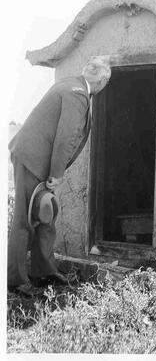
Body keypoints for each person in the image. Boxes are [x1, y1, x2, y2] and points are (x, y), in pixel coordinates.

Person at [8, 59, 111, 296]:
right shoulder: (78, 95)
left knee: (46, 214)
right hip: (32, 159)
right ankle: (15, 278)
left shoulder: (71, 85)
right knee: (25, 219)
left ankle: (43, 271)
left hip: (37, 159)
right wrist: (56, 175)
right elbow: (65, 138)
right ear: (103, 81)